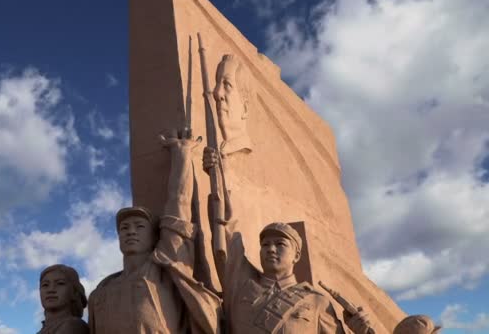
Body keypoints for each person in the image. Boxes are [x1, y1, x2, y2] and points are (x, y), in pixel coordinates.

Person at [203, 148, 373, 334]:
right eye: (265, 245)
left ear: (296, 255)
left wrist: (360, 332)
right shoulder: (242, 283)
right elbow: (226, 230)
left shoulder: (317, 302)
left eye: (280, 244)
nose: (271, 249)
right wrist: (218, 177)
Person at [88, 129, 222, 334]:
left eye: (139, 227)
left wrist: (182, 154)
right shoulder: (101, 292)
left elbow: (179, 203)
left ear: (154, 235)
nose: (130, 232)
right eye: (124, 228)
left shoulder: (165, 265)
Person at [213, 54, 253, 156]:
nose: (217, 93)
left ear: (245, 109)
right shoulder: (219, 149)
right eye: (217, 83)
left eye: (227, 84)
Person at [38, 264, 90, 334]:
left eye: (60, 283)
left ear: (74, 293)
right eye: (45, 285)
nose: (51, 290)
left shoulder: (73, 325)